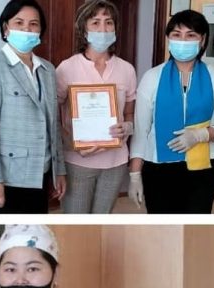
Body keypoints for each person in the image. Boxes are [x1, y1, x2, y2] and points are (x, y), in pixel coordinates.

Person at [130, 10, 214, 213]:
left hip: (203, 169)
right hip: (158, 169)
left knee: (195, 223)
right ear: (168, 38)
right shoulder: (152, 77)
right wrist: (134, 175)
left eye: (191, 35)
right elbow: (141, 131)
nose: (183, 40)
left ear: (202, 40)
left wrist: (202, 134)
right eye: (177, 34)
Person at [0, 0, 66, 213]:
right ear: (6, 28)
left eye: (34, 24)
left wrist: (59, 171)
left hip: (39, 175)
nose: (26, 29)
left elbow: (54, 126)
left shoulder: (48, 70)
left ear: (40, 30)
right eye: (19, 22)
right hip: (5, 178)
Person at [56, 0, 136, 214]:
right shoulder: (66, 68)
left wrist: (127, 127)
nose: (103, 29)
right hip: (77, 161)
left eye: (108, 22)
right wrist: (71, 142)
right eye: (95, 23)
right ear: (84, 29)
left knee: (102, 220)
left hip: (115, 161)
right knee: (76, 221)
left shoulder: (127, 70)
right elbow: (51, 115)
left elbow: (129, 113)